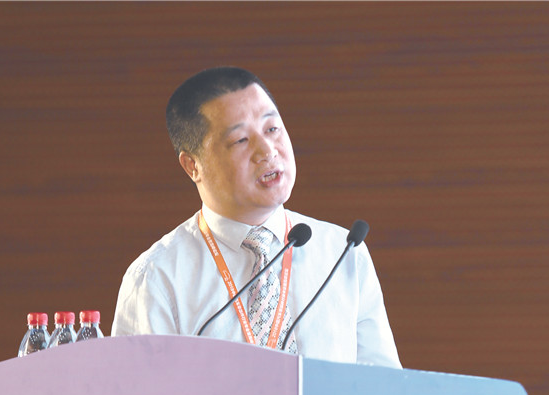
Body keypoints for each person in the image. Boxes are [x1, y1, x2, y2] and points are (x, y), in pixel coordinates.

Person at [112, 67, 401, 369]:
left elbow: (385, 386)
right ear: (192, 166)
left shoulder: (343, 253)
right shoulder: (156, 277)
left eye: (272, 129)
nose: (267, 150)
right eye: (240, 140)